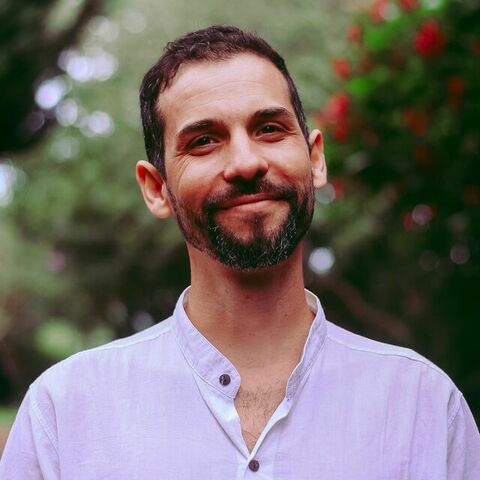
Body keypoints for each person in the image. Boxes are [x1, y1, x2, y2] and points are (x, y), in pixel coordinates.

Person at [1, 24, 479, 479]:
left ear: (315, 159)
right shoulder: (65, 414)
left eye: (269, 129)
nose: (246, 163)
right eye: (204, 141)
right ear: (156, 188)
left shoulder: (424, 407)